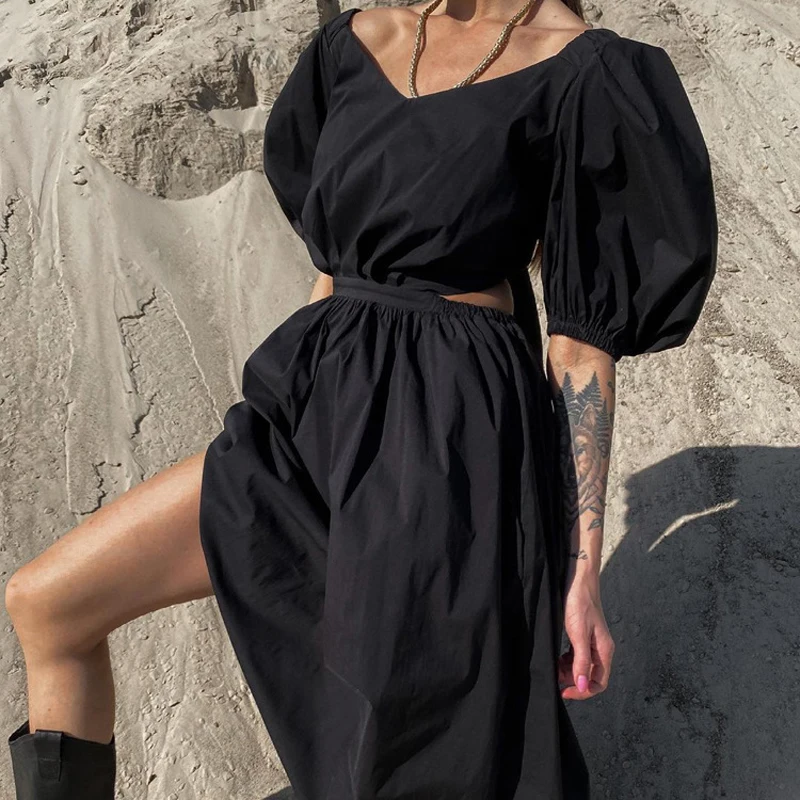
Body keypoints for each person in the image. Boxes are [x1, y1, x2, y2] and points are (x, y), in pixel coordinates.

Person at [3, 0, 717, 797]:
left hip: (441, 435)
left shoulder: (586, 69)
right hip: (313, 408)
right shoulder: (355, 42)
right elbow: (332, 263)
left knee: (398, 759)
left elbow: (579, 349)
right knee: (48, 604)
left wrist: (580, 571)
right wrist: (292, 402)